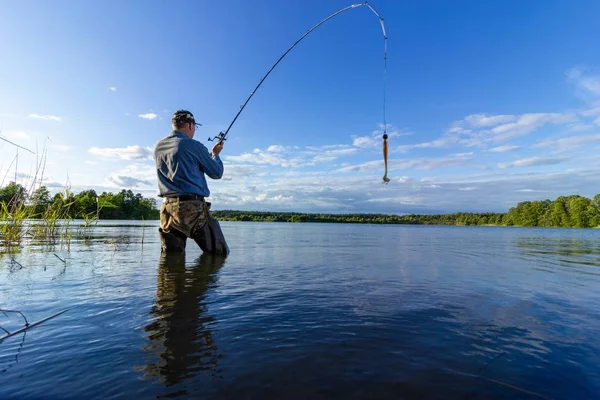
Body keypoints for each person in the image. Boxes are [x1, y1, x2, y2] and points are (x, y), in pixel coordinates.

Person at [153, 109, 229, 255]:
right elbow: (216, 173)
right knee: (219, 255)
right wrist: (215, 155)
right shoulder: (194, 145)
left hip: (167, 209)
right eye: (195, 126)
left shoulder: (158, 147)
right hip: (192, 209)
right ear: (190, 125)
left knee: (170, 261)